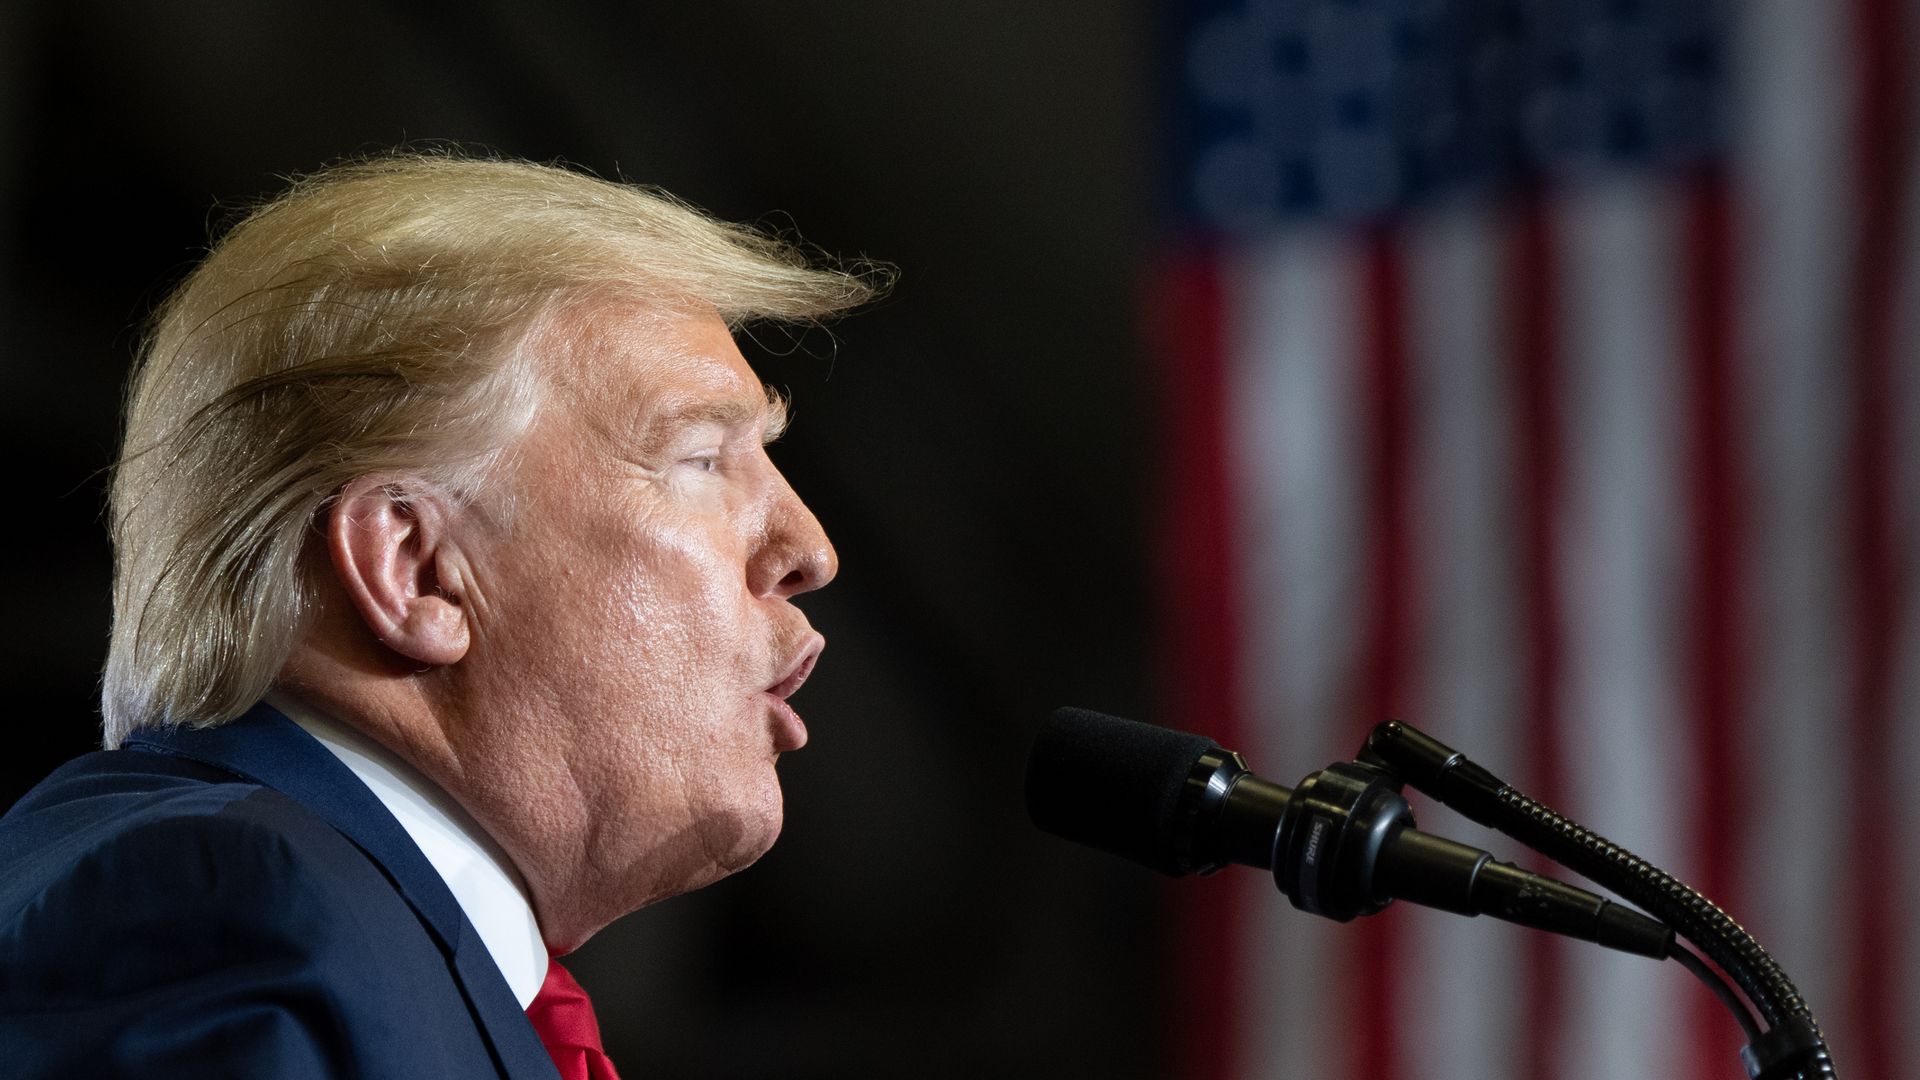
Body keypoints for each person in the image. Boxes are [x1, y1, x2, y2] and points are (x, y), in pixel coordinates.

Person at [0, 152, 881, 1079]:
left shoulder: (349, 932)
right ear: (416, 568)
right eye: (701, 458)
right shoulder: (223, 909)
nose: (809, 548)